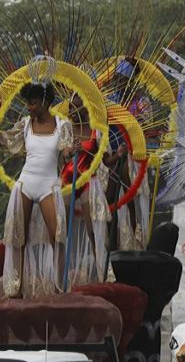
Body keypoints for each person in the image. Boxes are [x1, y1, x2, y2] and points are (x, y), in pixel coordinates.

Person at [0, 81, 75, 298]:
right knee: (18, 238)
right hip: (26, 184)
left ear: (46, 102)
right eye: (27, 103)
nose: (29, 107)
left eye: (33, 103)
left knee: (58, 237)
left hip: (48, 185)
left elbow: (66, 150)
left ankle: (59, 288)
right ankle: (16, 292)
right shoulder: (25, 124)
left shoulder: (62, 124)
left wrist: (68, 152)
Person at [61, 93, 125, 284]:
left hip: (88, 180)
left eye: (75, 106)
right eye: (70, 106)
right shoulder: (67, 128)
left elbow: (106, 160)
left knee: (93, 230)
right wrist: (73, 149)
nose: (71, 109)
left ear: (84, 106)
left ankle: (103, 274)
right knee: (57, 226)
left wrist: (119, 154)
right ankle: (60, 275)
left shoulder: (96, 130)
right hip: (67, 181)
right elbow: (64, 155)